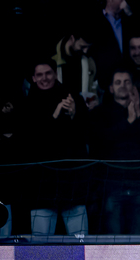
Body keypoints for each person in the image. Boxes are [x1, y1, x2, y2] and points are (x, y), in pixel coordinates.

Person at [89, 69, 140, 234]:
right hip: (112, 185)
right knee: (114, 242)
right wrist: (128, 121)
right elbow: (100, 143)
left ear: (133, 86)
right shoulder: (101, 113)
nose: (123, 86)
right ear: (111, 88)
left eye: (127, 82)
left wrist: (138, 113)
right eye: (118, 82)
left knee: (138, 241)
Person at [23, 60, 89, 236]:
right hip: (41, 186)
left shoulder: (72, 97)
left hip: (72, 184)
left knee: (80, 244)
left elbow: (88, 133)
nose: (44, 78)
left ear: (55, 74)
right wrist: (55, 115)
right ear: (33, 78)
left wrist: (75, 114)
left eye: (48, 73)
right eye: (39, 75)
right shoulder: (27, 105)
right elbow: (32, 141)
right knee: (41, 246)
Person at [51, 27, 99, 109]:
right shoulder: (52, 60)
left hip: (83, 113)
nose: (85, 51)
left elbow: (94, 88)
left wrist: (95, 100)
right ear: (72, 38)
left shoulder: (89, 62)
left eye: (88, 47)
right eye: (82, 46)